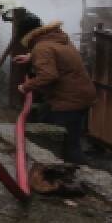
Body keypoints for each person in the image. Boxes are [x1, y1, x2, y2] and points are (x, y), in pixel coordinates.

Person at [17, 20, 97, 164]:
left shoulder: (41, 48)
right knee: (65, 132)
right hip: (82, 96)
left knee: (68, 145)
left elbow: (48, 76)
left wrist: (26, 86)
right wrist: (31, 57)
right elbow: (59, 56)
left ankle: (81, 176)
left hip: (69, 101)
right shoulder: (60, 40)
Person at [0, 0, 43, 108]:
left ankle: (29, 107)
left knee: (35, 81)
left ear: (9, 10)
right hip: (34, 54)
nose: (3, 18)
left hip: (37, 56)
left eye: (3, 14)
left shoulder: (28, 21)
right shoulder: (27, 18)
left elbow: (27, 40)